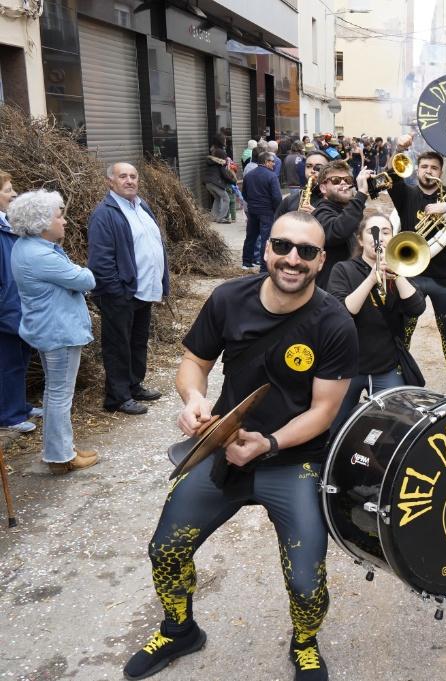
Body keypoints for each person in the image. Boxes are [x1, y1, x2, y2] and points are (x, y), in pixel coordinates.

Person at [121, 212, 357, 681]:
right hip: (223, 450)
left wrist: (268, 442)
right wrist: (193, 400)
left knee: (307, 581)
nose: (293, 259)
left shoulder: (334, 323)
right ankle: (179, 629)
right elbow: (194, 361)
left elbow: (324, 411)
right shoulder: (229, 298)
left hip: (293, 461)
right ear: (267, 249)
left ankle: (305, 643)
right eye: (283, 247)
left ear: (321, 260)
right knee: (165, 549)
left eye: (306, 252)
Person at [8, 190, 98, 473]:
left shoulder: (26, 247)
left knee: (54, 393)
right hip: (59, 332)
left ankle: (60, 449)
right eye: (59, 217)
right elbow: (86, 279)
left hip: (48, 330)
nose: (65, 221)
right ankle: (60, 458)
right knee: (60, 395)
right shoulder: (40, 255)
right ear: (42, 223)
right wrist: (78, 270)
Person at [389, 134, 446, 383]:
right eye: (424, 167)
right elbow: (392, 176)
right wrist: (399, 148)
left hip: (443, 277)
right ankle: (399, 372)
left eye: (434, 168)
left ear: (441, 172)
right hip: (410, 275)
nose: (429, 171)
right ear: (417, 170)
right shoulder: (406, 195)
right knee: (404, 328)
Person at [326, 209, 425, 427]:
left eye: (386, 232)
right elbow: (343, 312)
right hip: (347, 366)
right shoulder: (343, 270)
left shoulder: (401, 271)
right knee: (335, 424)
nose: (379, 237)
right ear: (360, 239)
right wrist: (372, 278)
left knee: (393, 424)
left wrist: (397, 275)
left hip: (386, 364)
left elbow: (417, 308)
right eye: (373, 232)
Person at [87, 162, 170, 416]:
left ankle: (134, 385)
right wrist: (117, 292)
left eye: (133, 176)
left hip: (143, 290)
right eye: (123, 176)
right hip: (120, 293)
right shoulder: (105, 213)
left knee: (136, 342)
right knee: (117, 345)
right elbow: (100, 261)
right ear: (110, 182)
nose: (129, 180)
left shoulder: (141, 206)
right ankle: (117, 397)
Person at [0, 171, 42, 434]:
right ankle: (9, 414)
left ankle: (19, 405)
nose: (14, 194)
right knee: (8, 363)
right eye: (7, 190)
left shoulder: (8, 224)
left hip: (19, 306)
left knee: (20, 360)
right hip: (6, 311)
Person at [311, 160, 372, 289]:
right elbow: (337, 231)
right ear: (323, 188)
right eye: (335, 180)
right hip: (331, 291)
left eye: (348, 180)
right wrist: (360, 194)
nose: (343, 183)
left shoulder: (348, 210)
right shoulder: (320, 212)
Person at [241, 152, 284, 272]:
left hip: (252, 210)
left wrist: (252, 203)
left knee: (251, 236)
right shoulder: (271, 176)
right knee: (266, 238)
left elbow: (244, 194)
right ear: (266, 162)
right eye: (272, 161)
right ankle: (264, 268)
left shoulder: (249, 175)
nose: (274, 164)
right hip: (267, 212)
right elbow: (277, 197)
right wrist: (277, 210)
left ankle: (246, 262)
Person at [275, 152, 330, 219]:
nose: (312, 170)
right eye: (308, 166)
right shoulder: (289, 201)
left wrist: (318, 216)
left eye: (319, 167)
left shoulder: (337, 201)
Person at [203, 141, 232, 224]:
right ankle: (221, 218)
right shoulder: (220, 163)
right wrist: (232, 181)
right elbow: (225, 175)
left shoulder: (210, 161)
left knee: (217, 198)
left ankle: (213, 217)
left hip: (208, 183)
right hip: (215, 183)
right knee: (226, 199)